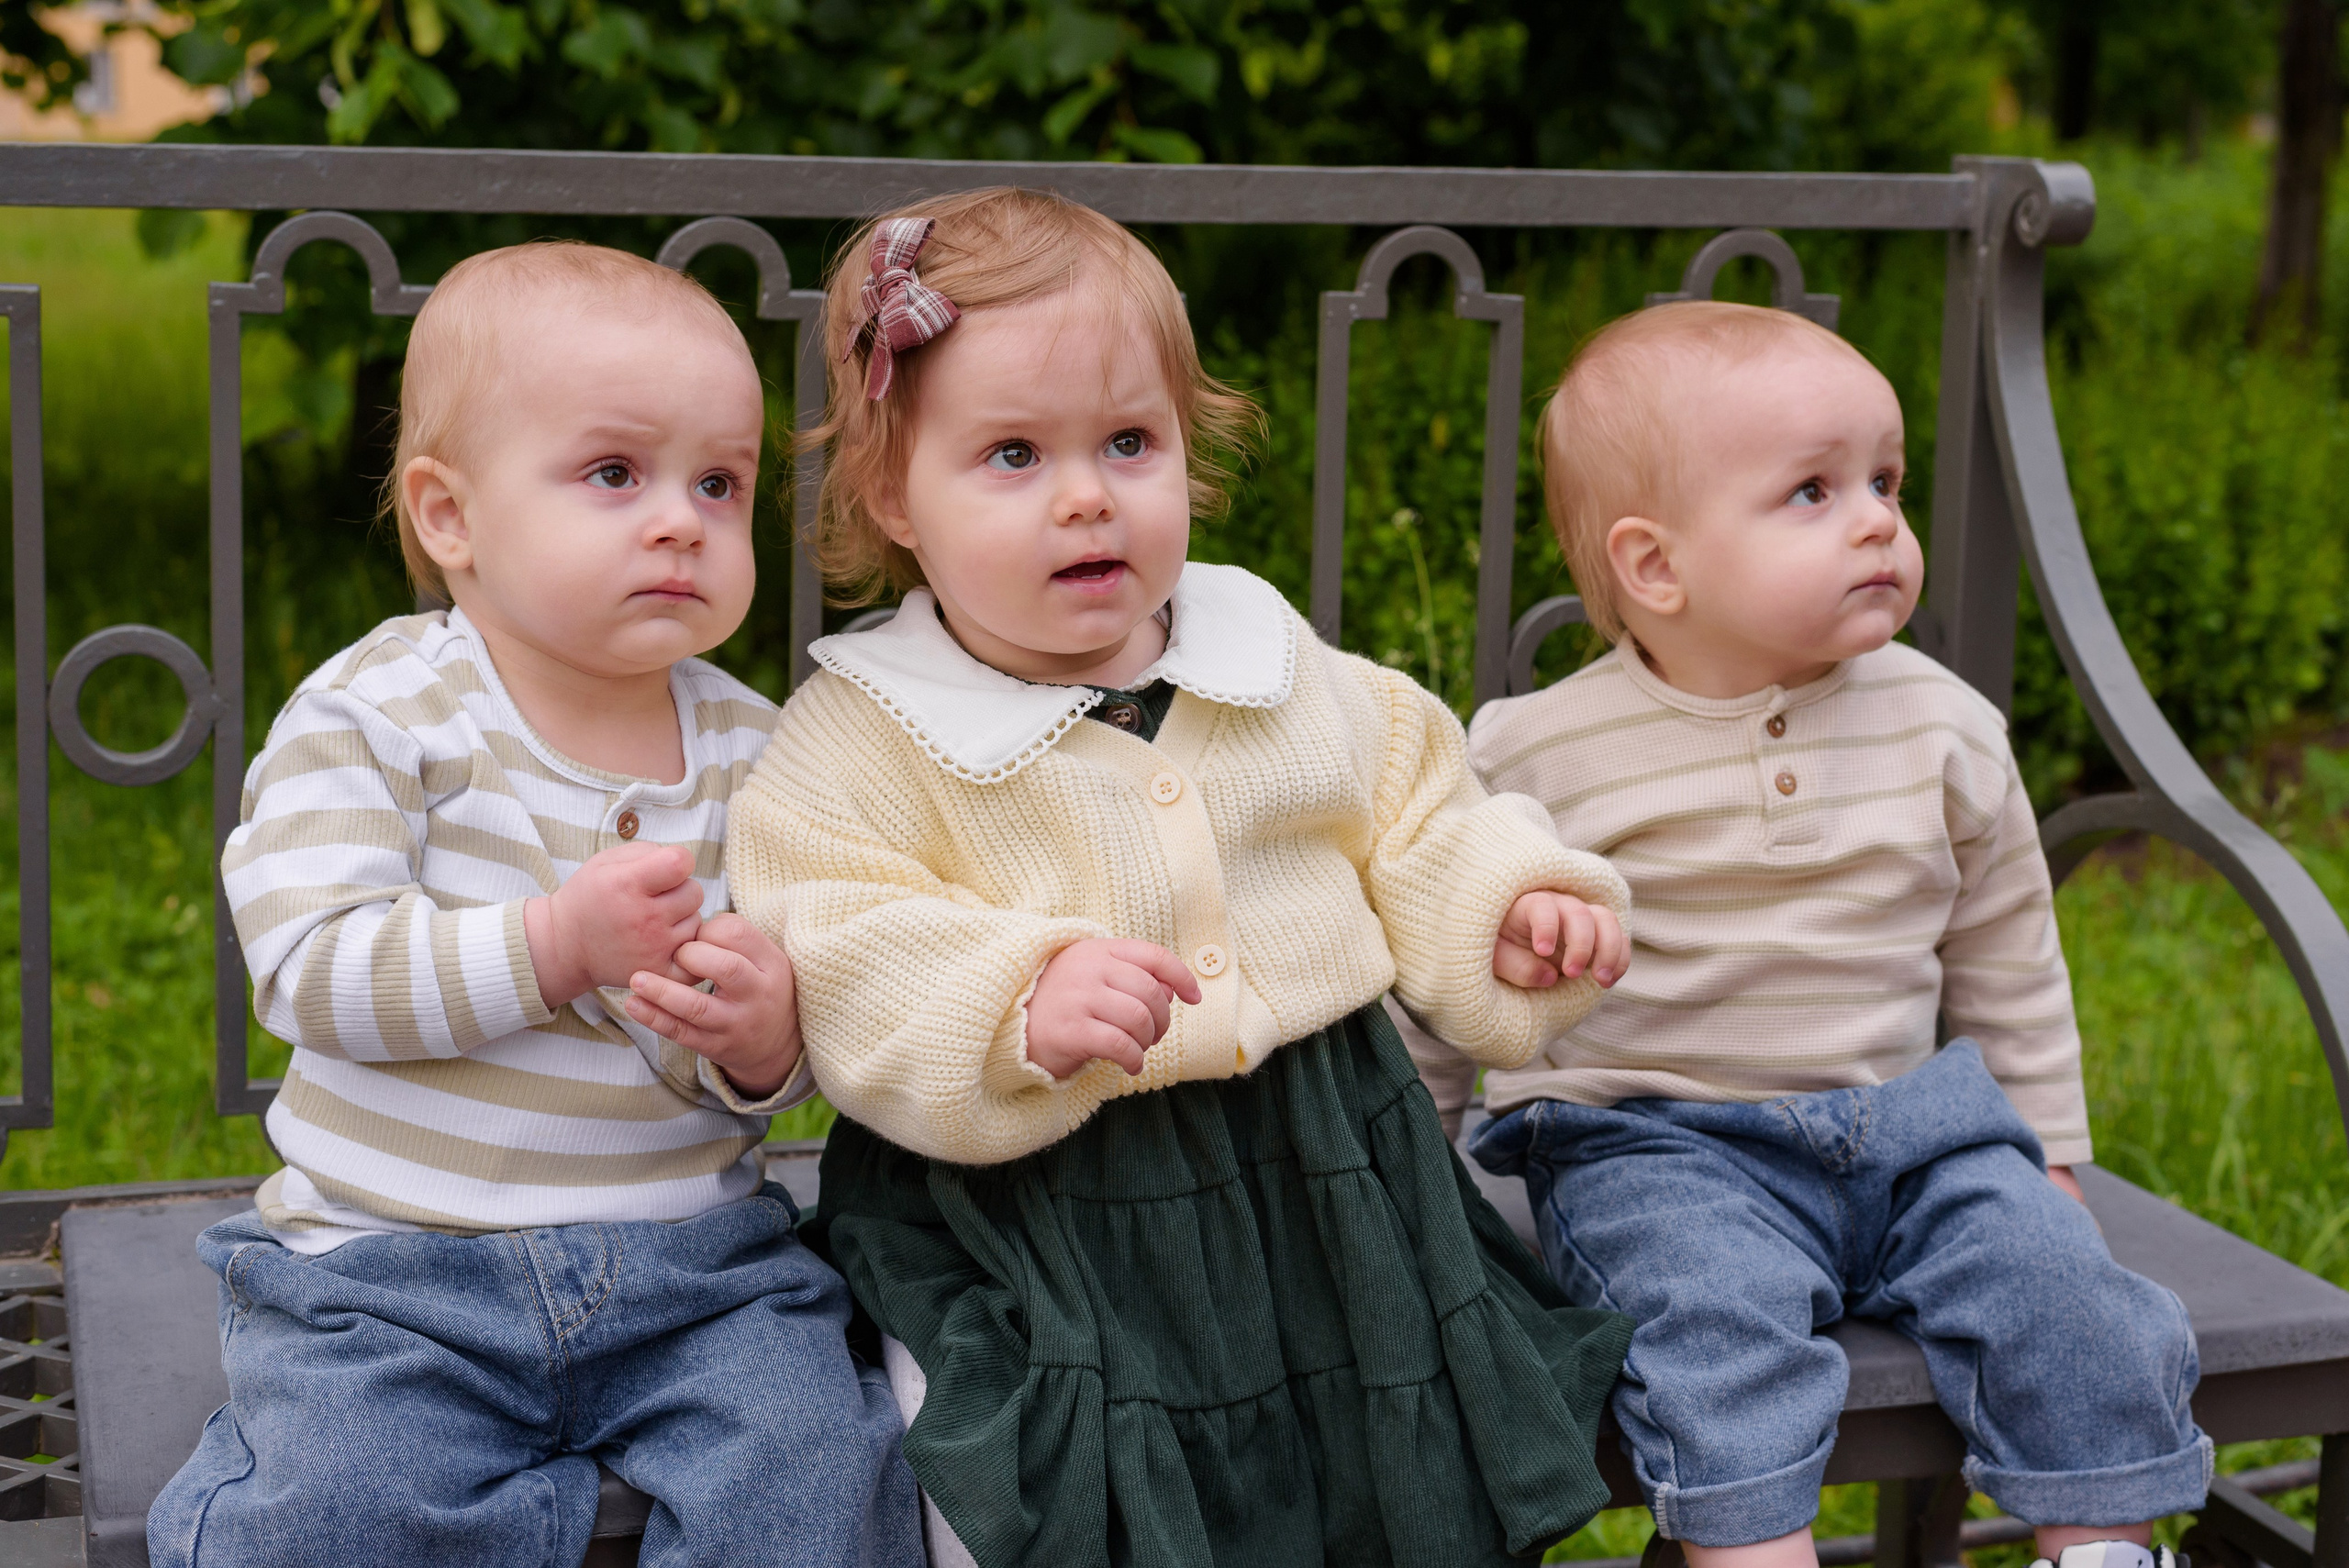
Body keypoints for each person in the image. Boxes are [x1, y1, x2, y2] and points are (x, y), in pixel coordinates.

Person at [724, 188, 1639, 1568]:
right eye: (1015, 454)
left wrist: (1504, 907)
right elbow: (840, 931)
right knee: (1030, 1482)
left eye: (1129, 442)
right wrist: (1013, 997)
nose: (1088, 493)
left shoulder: (1270, 664)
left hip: (1322, 1169)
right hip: (1033, 1210)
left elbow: (1415, 806)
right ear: (888, 498)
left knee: (1370, 1478)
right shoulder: (862, 736)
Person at [148, 241, 923, 1568]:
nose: (679, 517)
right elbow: (312, 968)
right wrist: (551, 945)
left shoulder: (760, 747)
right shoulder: (381, 712)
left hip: (696, 1276)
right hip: (393, 1281)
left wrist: (761, 1033)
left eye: (719, 483)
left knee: (816, 1475)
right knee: (331, 1508)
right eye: (615, 474)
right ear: (450, 515)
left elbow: (775, 1049)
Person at [1419, 299, 2210, 1568]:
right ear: (1656, 566)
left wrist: (2050, 1147)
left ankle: (2105, 1545)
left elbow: (2009, 945)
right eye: (1812, 491)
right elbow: (1450, 957)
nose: (1878, 520)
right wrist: (1421, 1170)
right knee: (1706, 1331)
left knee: (2070, 1299)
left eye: (1886, 481)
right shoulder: (1532, 750)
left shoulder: (1942, 725)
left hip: (1917, 1132)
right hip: (1654, 1143)